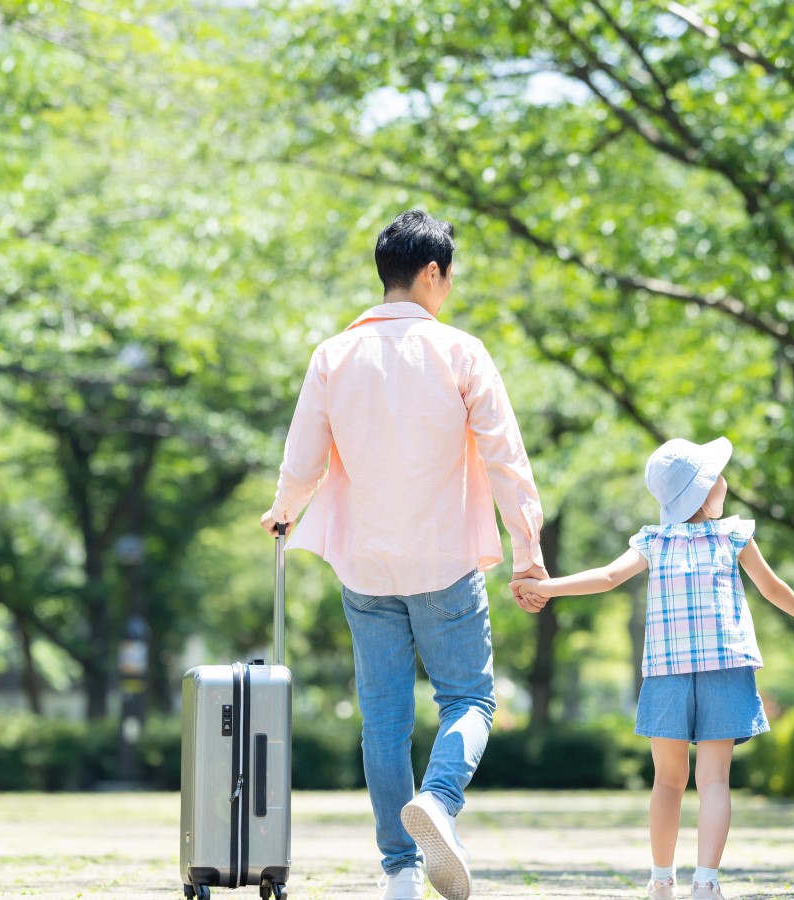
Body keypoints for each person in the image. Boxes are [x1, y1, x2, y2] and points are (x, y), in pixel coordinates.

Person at [260, 209, 549, 900]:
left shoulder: (333, 354)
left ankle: (398, 870)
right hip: (444, 560)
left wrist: (284, 510)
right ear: (431, 272)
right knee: (470, 697)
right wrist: (528, 551)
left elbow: (302, 459)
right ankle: (440, 801)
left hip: (365, 565)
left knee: (383, 719)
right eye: (448, 276)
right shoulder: (462, 352)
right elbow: (506, 461)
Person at [513, 436, 794, 900]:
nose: (724, 482)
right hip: (727, 665)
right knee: (714, 778)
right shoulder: (734, 534)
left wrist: (547, 587)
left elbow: (606, 578)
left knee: (667, 780)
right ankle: (706, 882)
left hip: (666, 671)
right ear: (704, 492)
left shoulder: (652, 540)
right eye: (717, 477)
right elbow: (772, 587)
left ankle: (662, 880)